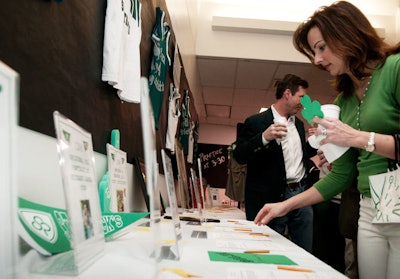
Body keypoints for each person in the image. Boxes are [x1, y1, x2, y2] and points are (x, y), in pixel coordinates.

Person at [254, 2, 400, 279]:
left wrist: (358, 138)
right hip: (371, 206)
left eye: (321, 47)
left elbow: (358, 140)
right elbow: (342, 175)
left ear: (346, 33)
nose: (318, 59)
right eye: (314, 52)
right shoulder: (344, 100)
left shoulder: (394, 68)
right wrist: (285, 205)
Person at [233, 73, 317, 252]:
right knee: (269, 250)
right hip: (271, 196)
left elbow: (299, 154)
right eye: (301, 97)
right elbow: (239, 155)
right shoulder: (256, 122)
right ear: (287, 93)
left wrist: (316, 143)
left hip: (301, 194)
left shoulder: (300, 125)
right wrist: (264, 137)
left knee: (304, 250)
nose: (304, 102)